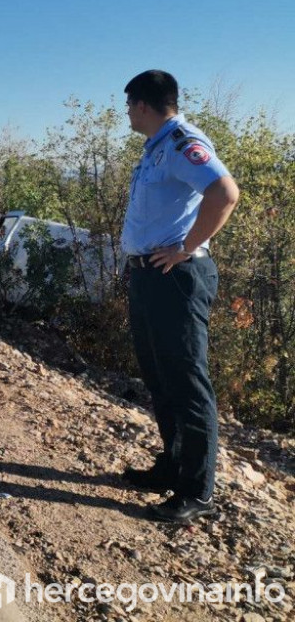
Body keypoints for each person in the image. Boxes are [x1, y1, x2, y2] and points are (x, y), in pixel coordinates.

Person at [118, 70, 239, 524]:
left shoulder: (184, 142)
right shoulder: (157, 149)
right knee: (160, 377)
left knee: (187, 383)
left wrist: (187, 247)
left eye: (129, 105)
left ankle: (197, 490)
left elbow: (225, 193)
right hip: (150, 276)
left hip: (177, 276)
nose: (127, 113)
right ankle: (172, 466)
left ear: (144, 104)